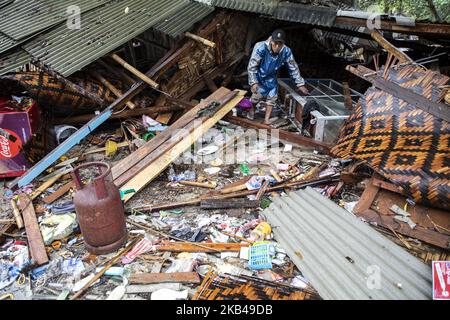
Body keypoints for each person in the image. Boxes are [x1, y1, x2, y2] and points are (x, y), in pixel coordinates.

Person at [248, 29, 309, 124]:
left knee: (272, 98)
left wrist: (300, 84)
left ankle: (266, 119)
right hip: (259, 76)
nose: (277, 46)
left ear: (283, 44)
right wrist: (254, 82)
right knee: (256, 97)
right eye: (275, 43)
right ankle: (251, 110)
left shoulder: (286, 51)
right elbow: (252, 65)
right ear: (271, 41)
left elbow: (293, 67)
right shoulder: (260, 47)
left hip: (271, 77)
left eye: (280, 44)